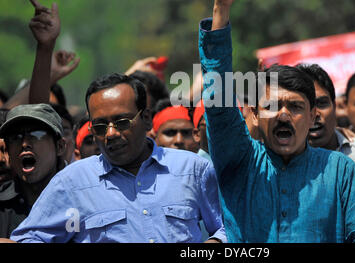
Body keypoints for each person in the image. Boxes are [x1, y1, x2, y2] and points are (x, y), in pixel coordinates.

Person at [198, 0, 355, 243]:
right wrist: (220, 9)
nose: (283, 115)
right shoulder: (239, 161)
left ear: (313, 116)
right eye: (273, 106)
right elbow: (218, 98)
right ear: (255, 113)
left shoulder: (340, 170)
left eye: (295, 107)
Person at [9, 73, 225, 243]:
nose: (110, 134)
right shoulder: (72, 183)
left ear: (147, 120)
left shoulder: (192, 170)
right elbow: (30, 238)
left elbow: (229, 227)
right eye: (100, 126)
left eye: (122, 122)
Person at [297, 64, 355, 171]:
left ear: (335, 106)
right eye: (302, 106)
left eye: (321, 103)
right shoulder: (276, 165)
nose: (315, 114)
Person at [0, 104, 66, 238]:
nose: (24, 144)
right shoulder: (1, 206)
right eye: (15, 137)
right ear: (8, 151)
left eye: (36, 134)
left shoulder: (83, 198)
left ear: (59, 146)